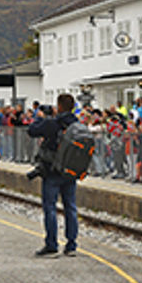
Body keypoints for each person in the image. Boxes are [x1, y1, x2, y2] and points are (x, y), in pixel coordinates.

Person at [28, 93, 80, 256]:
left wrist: (40, 117)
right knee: (70, 207)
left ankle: (52, 244)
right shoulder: (77, 124)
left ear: (59, 107)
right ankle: (71, 245)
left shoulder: (52, 123)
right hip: (70, 172)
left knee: (50, 207)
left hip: (52, 172)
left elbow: (32, 131)